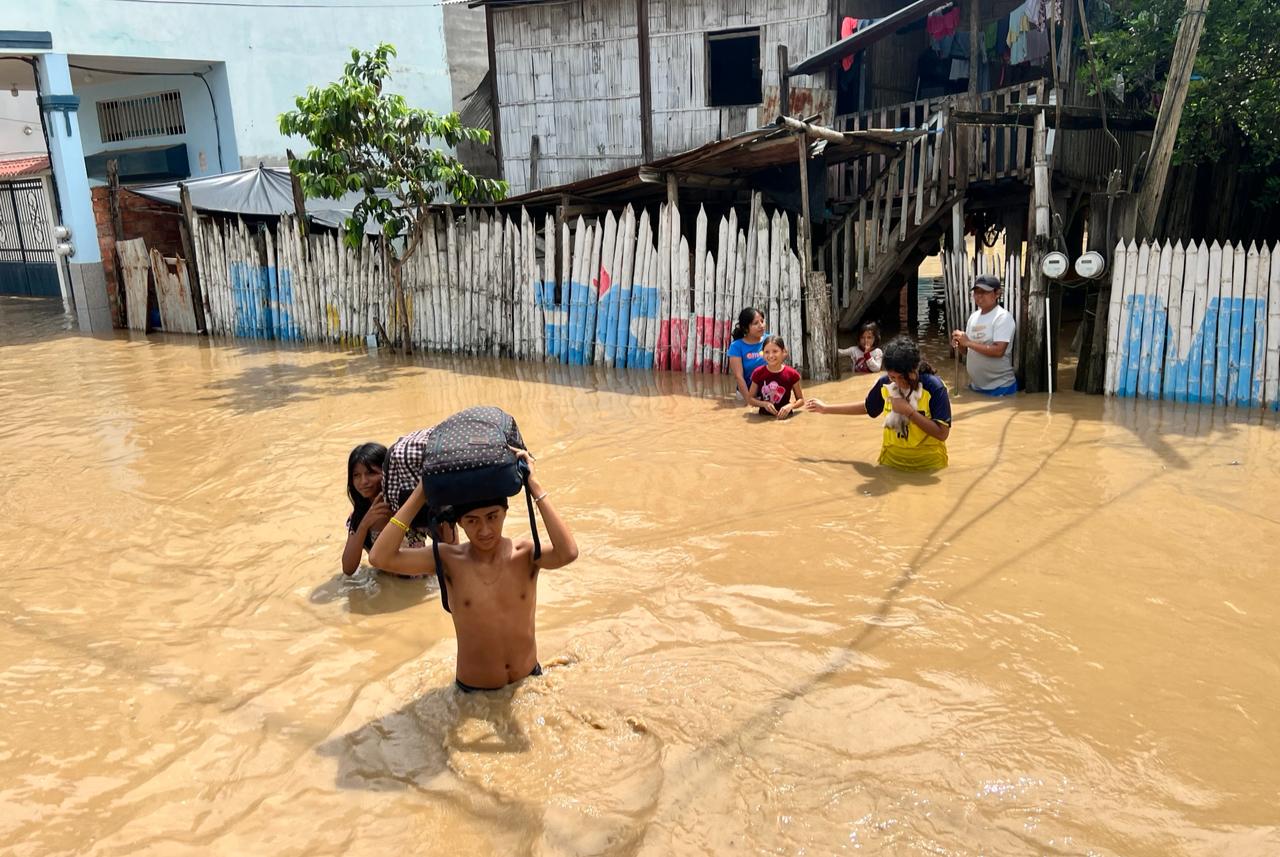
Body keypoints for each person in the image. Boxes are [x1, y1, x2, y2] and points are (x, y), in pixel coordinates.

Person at [369, 448, 579, 692]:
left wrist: (533, 484)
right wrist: (420, 494)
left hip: (528, 682)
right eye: (472, 521)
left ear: (505, 513)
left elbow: (568, 552)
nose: (485, 530)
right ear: (460, 522)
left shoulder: (526, 554)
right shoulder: (449, 559)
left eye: (492, 517)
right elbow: (379, 557)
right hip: (475, 694)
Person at [805, 336, 952, 471]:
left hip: (929, 467)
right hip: (891, 464)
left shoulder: (934, 387)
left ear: (914, 370)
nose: (898, 384)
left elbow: (942, 433)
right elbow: (867, 407)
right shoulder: (885, 384)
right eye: (893, 377)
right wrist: (825, 408)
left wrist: (910, 412)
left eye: (903, 378)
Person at [952, 274, 1017, 396]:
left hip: (1001, 388)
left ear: (997, 293)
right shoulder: (974, 317)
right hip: (976, 387)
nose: (979, 296)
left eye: (984, 292)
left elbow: (999, 351)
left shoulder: (1002, 317)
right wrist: (959, 343)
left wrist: (968, 342)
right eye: (976, 292)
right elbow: (967, 351)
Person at [341, 442, 391, 576]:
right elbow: (348, 569)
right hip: (385, 583)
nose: (363, 481)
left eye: (371, 473)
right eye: (356, 475)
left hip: (420, 586)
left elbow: (448, 546)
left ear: (387, 472)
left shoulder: (403, 506)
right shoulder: (358, 516)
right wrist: (365, 524)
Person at [746, 335, 805, 419]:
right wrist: (764, 404)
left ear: (783, 351)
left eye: (775, 351)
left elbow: (801, 400)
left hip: (786, 418)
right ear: (762, 353)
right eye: (767, 352)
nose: (771, 355)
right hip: (763, 418)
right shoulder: (757, 373)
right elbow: (750, 399)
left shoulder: (792, 374)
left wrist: (790, 406)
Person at [727, 307, 768, 400]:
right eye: (755, 323)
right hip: (745, 394)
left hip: (768, 392)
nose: (761, 325)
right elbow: (738, 376)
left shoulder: (769, 341)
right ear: (746, 328)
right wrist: (749, 399)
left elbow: (782, 356)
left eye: (762, 321)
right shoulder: (736, 346)